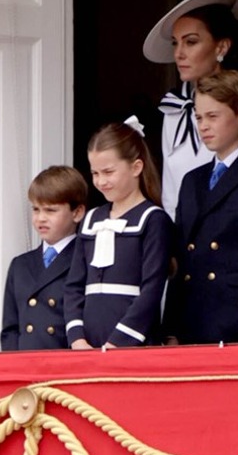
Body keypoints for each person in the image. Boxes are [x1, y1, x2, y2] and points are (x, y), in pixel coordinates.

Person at [142, 0, 238, 219]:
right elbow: (171, 195)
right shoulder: (174, 112)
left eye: (191, 42)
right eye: (175, 43)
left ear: (221, 47)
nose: (179, 53)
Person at [163, 70, 238, 345]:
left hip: (233, 319)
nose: (203, 126)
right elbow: (180, 259)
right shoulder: (192, 180)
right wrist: (171, 327)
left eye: (213, 116)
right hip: (190, 318)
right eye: (198, 117)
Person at [64, 120, 173, 349]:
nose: (100, 181)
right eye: (95, 173)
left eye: (108, 172)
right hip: (87, 347)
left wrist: (118, 343)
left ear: (136, 167)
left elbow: (151, 290)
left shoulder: (153, 219)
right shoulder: (91, 220)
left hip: (133, 345)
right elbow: (74, 285)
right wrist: (77, 339)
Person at [0, 166, 88, 351]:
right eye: (36, 209)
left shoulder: (86, 259)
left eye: (50, 210)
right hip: (26, 367)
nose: (40, 218)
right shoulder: (20, 265)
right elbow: (10, 329)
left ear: (77, 212)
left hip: (64, 365)